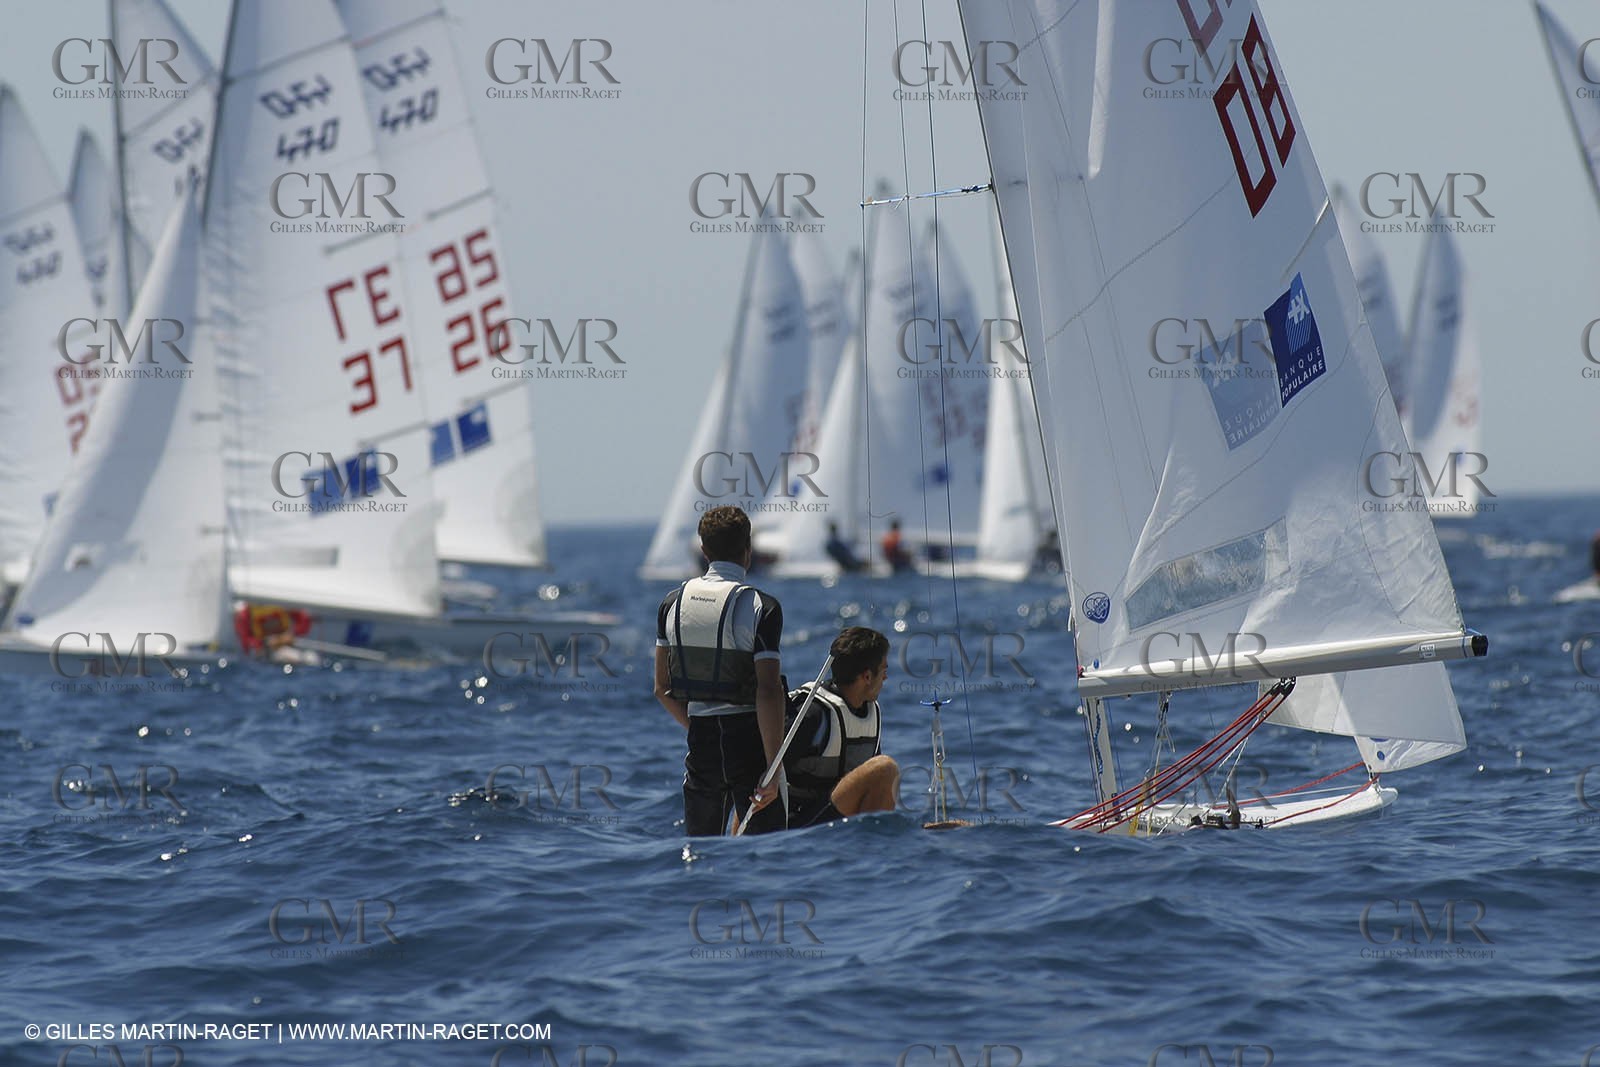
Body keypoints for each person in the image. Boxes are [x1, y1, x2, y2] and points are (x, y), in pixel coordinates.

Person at [655, 505, 787, 836]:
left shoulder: (671, 604)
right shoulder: (762, 607)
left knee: (701, 850)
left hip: (702, 742)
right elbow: (768, 690)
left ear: (703, 550)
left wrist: (700, 729)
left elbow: (661, 688)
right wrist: (774, 766)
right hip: (750, 742)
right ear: (749, 549)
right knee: (767, 850)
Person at [784, 627, 900, 829]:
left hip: (836, 821)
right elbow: (763, 772)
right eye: (884, 670)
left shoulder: (870, 712)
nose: (886, 678)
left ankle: (878, 841)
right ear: (867, 676)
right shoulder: (813, 713)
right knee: (884, 769)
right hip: (800, 824)